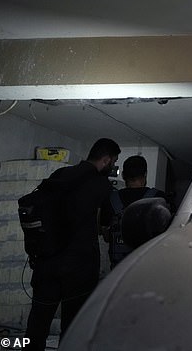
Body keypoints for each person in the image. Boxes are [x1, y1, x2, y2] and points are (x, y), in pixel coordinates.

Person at [25, 138, 120, 351]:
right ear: (105, 160)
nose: (113, 166)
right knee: (73, 326)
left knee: (37, 324)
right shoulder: (101, 184)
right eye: (113, 161)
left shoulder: (59, 175)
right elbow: (104, 225)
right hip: (79, 268)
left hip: (46, 263)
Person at [100, 155, 169, 268]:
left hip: (119, 268)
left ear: (123, 175)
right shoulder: (159, 197)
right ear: (145, 174)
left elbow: (107, 237)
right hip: (148, 267)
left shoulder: (111, 199)